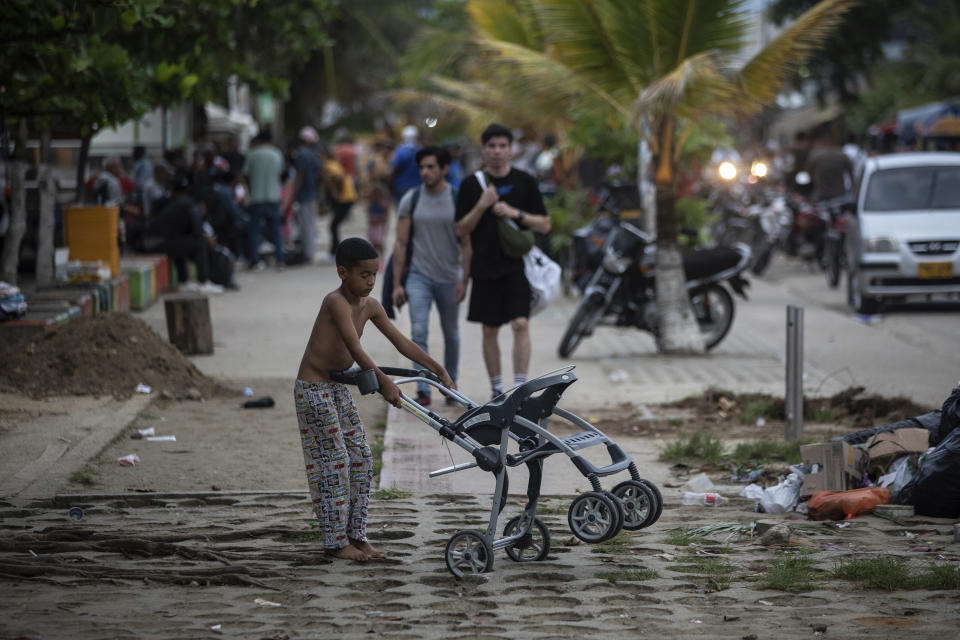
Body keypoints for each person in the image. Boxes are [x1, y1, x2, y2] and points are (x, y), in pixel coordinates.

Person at [294, 237, 453, 561]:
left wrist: (436, 369)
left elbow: (402, 343)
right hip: (313, 389)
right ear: (343, 273)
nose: (369, 282)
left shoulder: (371, 306)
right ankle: (335, 543)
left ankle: (356, 534)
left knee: (362, 457)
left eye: (374, 275)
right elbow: (355, 349)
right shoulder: (335, 302)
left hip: (337, 387)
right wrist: (385, 384)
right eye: (363, 275)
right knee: (334, 461)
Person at [454, 123, 551, 399]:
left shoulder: (525, 181)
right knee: (489, 328)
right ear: (484, 150)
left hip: (516, 266)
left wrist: (514, 212)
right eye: (491, 146)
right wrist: (482, 205)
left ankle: (520, 387)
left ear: (511, 150)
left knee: (520, 323)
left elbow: (544, 224)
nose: (497, 151)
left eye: (502, 146)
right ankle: (497, 389)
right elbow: (460, 230)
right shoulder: (471, 185)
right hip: (483, 267)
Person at [391, 146, 471, 407]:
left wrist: (464, 279)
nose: (425, 172)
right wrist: (396, 284)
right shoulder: (410, 199)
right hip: (418, 276)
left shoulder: (458, 198)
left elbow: (467, 243)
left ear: (444, 169)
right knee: (419, 330)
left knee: (451, 332)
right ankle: (423, 387)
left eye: (430, 167)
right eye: (422, 167)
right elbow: (400, 244)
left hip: (449, 276)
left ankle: (450, 385)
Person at [243, 129, 286, 269]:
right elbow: (281, 174)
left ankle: (255, 261)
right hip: (273, 197)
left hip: (256, 197)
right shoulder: (277, 154)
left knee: (254, 230)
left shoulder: (252, 154)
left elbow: (245, 175)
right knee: (276, 231)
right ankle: (280, 259)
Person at [283, 126, 323, 264]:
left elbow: (299, 175)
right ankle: (309, 253)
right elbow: (319, 174)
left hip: (304, 194)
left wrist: (293, 194)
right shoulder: (315, 154)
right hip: (312, 193)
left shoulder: (302, 154)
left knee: (305, 225)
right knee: (310, 225)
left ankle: (307, 254)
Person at [320, 146, 357, 261]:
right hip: (348, 197)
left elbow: (338, 177)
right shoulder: (333, 164)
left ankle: (335, 252)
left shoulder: (329, 165)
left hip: (345, 198)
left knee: (333, 225)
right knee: (334, 225)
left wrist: (335, 191)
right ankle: (335, 251)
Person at [807, 132, 854, 202]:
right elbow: (851, 174)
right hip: (839, 193)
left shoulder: (816, 155)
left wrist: (814, 182)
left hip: (821, 194)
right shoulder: (842, 155)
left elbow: (808, 172)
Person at [390, 125, 421, 204]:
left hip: (402, 187)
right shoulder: (420, 150)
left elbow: (395, 168)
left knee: (402, 212)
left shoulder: (400, 151)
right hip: (418, 186)